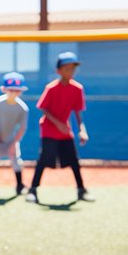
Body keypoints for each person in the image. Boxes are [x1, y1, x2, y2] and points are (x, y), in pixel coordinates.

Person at [26, 51, 95, 204]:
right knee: (44, 159)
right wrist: (57, 123)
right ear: (58, 71)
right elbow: (43, 108)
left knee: (74, 161)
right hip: (49, 129)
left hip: (65, 130)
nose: (71, 71)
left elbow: (77, 112)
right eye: (67, 68)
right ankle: (32, 190)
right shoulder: (51, 88)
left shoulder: (77, 88)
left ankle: (81, 190)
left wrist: (82, 130)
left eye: (73, 68)